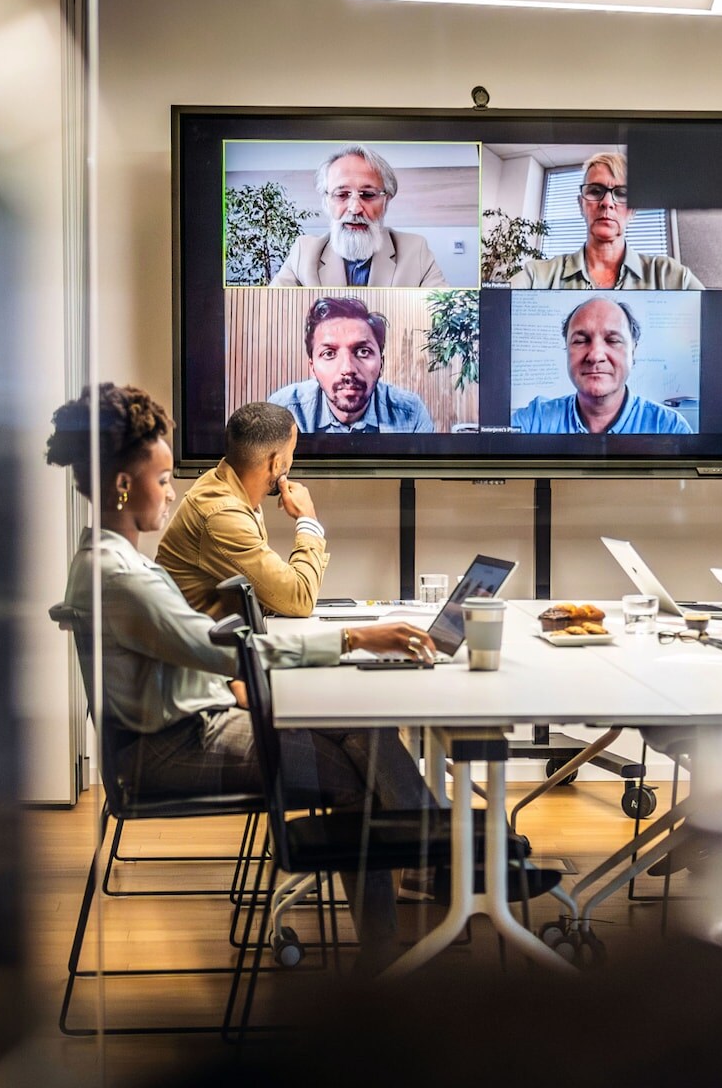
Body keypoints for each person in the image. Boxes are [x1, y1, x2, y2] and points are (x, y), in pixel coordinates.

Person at [44, 383, 436, 957]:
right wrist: (358, 637)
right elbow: (234, 650)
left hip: (184, 723)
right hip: (172, 748)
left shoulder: (111, 561)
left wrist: (236, 682)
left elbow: (203, 651)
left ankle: (436, 860)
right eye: (161, 481)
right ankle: (403, 929)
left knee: (362, 726)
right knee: (359, 769)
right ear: (124, 487)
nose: (173, 494)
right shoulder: (124, 578)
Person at [156, 401, 328, 619]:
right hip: (199, 649)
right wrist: (308, 520)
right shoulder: (222, 513)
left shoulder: (230, 491)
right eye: (292, 452)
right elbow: (299, 599)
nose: (291, 461)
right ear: (276, 464)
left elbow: (268, 594)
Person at [508, 152, 704, 290]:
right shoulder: (536, 277)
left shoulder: (671, 277)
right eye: (595, 191)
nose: (607, 202)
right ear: (581, 204)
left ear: (633, 210)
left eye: (622, 193)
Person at [270, 145, 447, 288]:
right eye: (341, 195)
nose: (355, 208)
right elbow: (271, 314)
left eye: (368, 195)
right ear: (326, 201)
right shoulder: (305, 252)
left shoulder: (415, 251)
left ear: (386, 200)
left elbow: (443, 318)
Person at [510, 297, 693, 435]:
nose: (596, 355)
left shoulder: (671, 427)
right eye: (581, 341)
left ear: (633, 351)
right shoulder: (534, 420)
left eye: (612, 340)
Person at [267, 296, 435, 433]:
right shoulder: (284, 411)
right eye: (329, 354)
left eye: (363, 352)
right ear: (312, 368)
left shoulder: (411, 413)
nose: (347, 369)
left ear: (381, 364)